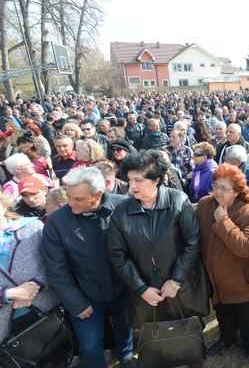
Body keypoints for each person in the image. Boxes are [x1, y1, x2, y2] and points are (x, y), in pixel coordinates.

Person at [107, 150, 209, 360]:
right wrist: (140, 288)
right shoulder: (122, 211)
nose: (132, 186)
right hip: (145, 286)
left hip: (180, 285)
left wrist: (176, 280)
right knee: (155, 340)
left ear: (156, 180)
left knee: (187, 331)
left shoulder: (177, 201)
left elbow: (191, 242)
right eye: (129, 180)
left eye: (138, 180)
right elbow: (118, 254)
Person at [41, 167, 133, 368]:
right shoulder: (56, 222)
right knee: (90, 345)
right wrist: (76, 303)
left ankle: (125, 357)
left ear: (97, 195)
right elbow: (56, 269)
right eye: (69, 196)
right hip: (85, 296)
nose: (70, 203)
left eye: (78, 199)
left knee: (124, 327)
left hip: (123, 289)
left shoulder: (124, 206)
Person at [196, 163, 249, 357]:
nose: (217, 192)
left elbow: (245, 248)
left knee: (248, 318)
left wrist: (224, 221)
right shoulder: (204, 204)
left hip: (244, 281)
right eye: (215, 186)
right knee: (223, 313)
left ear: (237, 191)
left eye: (224, 188)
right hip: (216, 280)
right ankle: (226, 338)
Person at [0, 192, 61, 355]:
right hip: (4, 330)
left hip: (45, 310)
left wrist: (35, 286)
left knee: (56, 356)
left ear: (3, 204)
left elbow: (56, 264)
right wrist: (8, 294)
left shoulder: (32, 228)